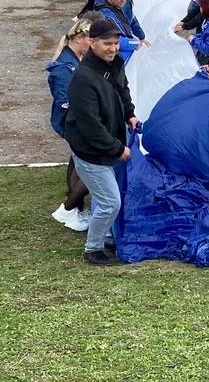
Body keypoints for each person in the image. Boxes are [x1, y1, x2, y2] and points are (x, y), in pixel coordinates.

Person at [62, 18, 138, 266]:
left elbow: (123, 90)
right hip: (91, 151)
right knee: (110, 201)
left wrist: (130, 114)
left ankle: (107, 237)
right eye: (107, 43)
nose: (113, 48)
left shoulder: (115, 64)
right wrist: (117, 149)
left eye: (115, 43)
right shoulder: (83, 78)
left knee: (105, 195)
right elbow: (89, 124)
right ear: (92, 42)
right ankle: (93, 249)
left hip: (110, 143)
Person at [46, 16, 95, 233]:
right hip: (73, 123)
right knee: (87, 166)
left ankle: (75, 208)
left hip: (76, 121)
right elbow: (64, 101)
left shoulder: (74, 60)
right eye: (90, 40)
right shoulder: (63, 68)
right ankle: (69, 208)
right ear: (78, 38)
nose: (92, 44)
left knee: (76, 163)